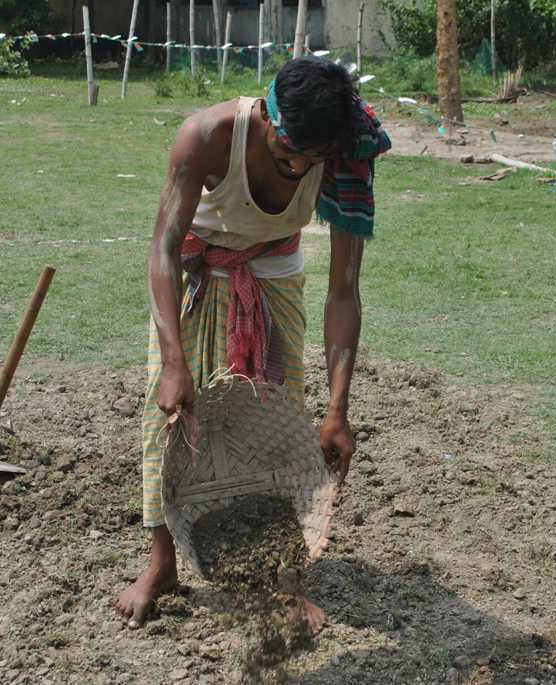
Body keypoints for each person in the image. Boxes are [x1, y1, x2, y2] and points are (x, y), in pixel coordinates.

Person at [113, 56, 391, 629]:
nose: (296, 171)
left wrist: (337, 411)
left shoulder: (344, 155)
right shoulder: (207, 136)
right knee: (166, 420)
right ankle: (162, 563)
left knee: (274, 429)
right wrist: (173, 363)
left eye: (308, 162)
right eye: (289, 155)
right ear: (266, 115)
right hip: (196, 273)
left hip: (272, 278)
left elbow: (344, 292)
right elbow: (163, 249)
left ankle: (281, 582)